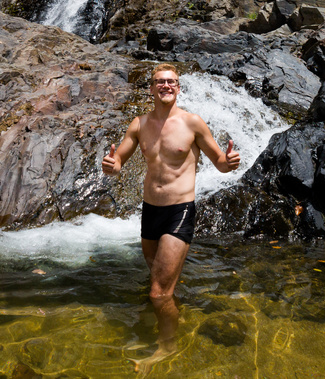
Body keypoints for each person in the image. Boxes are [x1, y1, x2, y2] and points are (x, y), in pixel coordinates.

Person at [101, 63, 240, 363]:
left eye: (171, 82)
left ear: (178, 88)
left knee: (157, 293)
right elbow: (119, 160)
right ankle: (172, 321)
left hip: (179, 211)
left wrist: (229, 162)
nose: (165, 86)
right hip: (150, 212)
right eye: (159, 82)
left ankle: (167, 348)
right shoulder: (139, 124)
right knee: (161, 282)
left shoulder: (193, 123)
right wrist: (112, 166)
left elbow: (219, 161)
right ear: (151, 88)